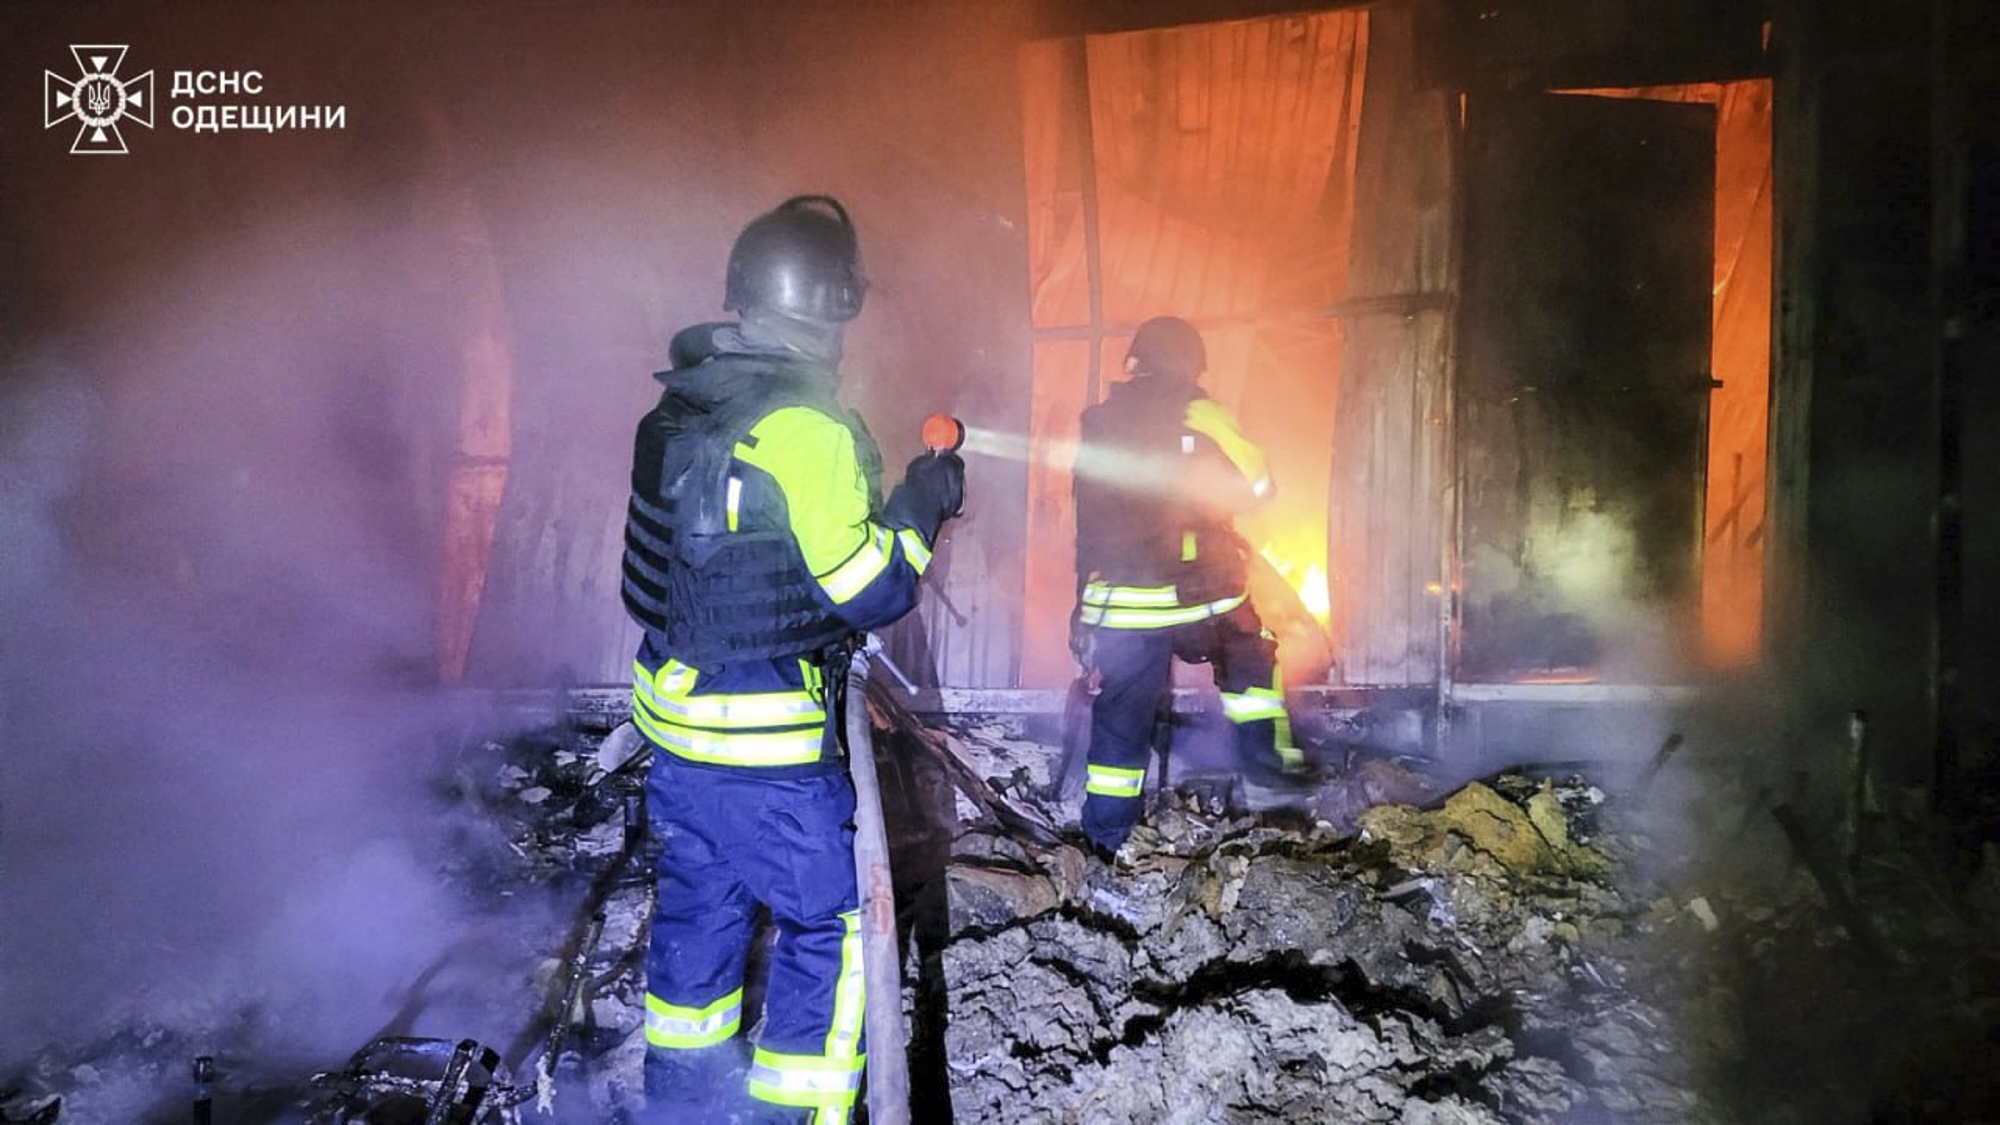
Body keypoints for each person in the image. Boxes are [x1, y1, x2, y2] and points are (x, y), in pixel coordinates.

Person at [619, 194, 964, 1124]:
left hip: (678, 734)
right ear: (835, 304)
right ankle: (791, 1114)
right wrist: (923, 506)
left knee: (699, 907)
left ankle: (681, 1103)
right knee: (828, 928)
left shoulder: (680, 404)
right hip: (770, 746)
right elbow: (869, 589)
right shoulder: (808, 425)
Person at [1069, 315, 1303, 859]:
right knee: (1249, 659)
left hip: (1120, 601)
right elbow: (1260, 486)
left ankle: (1107, 837)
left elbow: (1086, 516)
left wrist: (1080, 602)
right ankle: (1270, 793)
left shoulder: (1098, 421)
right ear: (1191, 364)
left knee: (1122, 712)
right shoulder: (1198, 409)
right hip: (1199, 596)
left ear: (1135, 362)